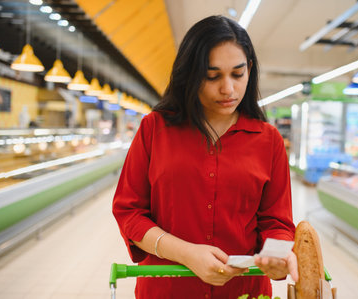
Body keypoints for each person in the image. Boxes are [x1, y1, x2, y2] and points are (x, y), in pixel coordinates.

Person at [112, 15, 297, 298]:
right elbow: (130, 213)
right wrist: (186, 253)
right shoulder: (155, 128)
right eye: (212, 76)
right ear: (191, 75)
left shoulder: (268, 140)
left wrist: (277, 256)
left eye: (237, 74)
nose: (228, 89)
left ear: (249, 69)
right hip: (168, 288)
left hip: (243, 291)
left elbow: (277, 222)